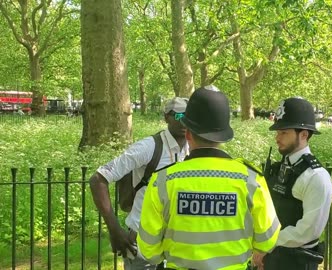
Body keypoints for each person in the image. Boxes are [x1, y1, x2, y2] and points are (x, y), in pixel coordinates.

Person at [136, 85, 280, 270]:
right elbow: (268, 239)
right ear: (223, 137)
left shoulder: (163, 181)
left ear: (188, 133)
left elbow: (149, 249)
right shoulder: (251, 180)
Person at [89, 97, 189, 270]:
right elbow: (98, 179)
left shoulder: (191, 150)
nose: (184, 122)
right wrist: (114, 230)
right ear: (166, 117)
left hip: (177, 246)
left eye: (189, 116)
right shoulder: (149, 147)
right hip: (142, 246)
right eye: (179, 116)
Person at [261, 97, 332, 270]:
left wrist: (267, 244)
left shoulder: (316, 177)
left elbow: (309, 230)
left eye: (284, 132)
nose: (277, 138)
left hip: (296, 262)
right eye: (277, 132)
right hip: (273, 258)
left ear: (303, 134)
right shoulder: (280, 167)